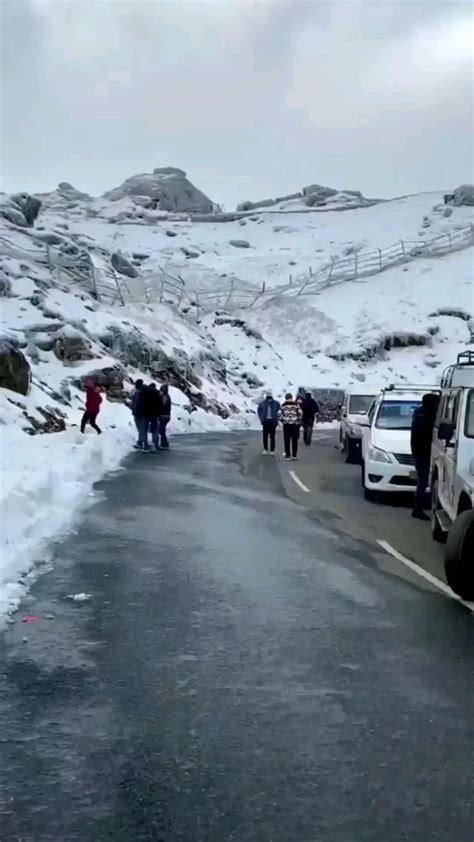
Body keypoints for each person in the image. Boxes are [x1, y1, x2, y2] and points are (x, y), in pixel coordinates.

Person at [410, 392, 440, 520]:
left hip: (418, 452)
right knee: (423, 481)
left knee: (422, 481)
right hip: (426, 452)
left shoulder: (418, 414)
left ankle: (418, 507)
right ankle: (418, 509)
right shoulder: (430, 415)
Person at [136, 383, 161, 451]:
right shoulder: (156, 392)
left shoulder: (142, 393)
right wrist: (158, 414)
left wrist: (138, 414)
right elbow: (159, 403)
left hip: (144, 414)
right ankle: (155, 443)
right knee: (154, 429)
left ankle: (145, 445)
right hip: (154, 414)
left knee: (144, 430)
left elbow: (139, 404)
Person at [279, 393, 303, 460]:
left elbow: (279, 414)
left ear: (285, 398)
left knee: (287, 440)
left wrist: (283, 420)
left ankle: (288, 455)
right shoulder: (296, 405)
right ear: (291, 398)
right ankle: (294, 455)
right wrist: (298, 420)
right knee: (294, 440)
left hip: (286, 424)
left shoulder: (283, 406)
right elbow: (300, 413)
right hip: (294, 424)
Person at [131, 379, 144, 446]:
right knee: (141, 429)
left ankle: (141, 442)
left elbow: (136, 403)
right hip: (138, 413)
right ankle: (142, 441)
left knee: (141, 429)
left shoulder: (139, 393)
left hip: (139, 413)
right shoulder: (137, 392)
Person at [158, 384, 172, 449]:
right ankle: (164, 443)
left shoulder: (164, 397)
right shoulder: (167, 397)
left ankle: (164, 443)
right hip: (167, 415)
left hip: (163, 415)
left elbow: (161, 406)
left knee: (161, 430)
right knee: (162, 430)